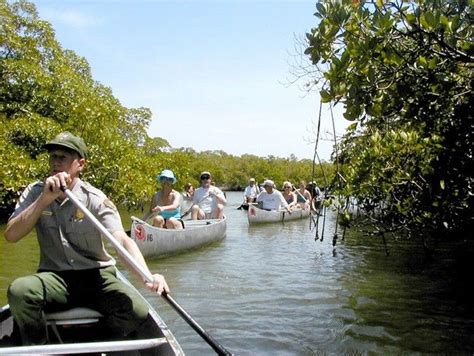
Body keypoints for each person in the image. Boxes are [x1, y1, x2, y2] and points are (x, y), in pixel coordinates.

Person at [4, 132, 169, 346]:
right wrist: (44, 200)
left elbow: (121, 239)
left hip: (96, 276)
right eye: (52, 156)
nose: (55, 162)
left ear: (80, 164)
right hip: (54, 277)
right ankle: (39, 347)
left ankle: (97, 342)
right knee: (19, 292)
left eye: (62, 157)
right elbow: (11, 235)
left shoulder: (95, 198)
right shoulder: (36, 192)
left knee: (137, 311)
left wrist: (147, 276)